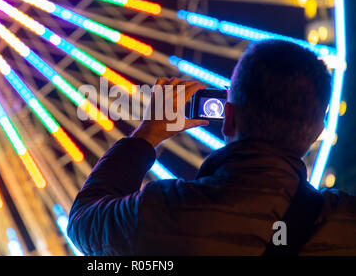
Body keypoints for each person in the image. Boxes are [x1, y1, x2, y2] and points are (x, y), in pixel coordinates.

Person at [67, 40, 356, 255]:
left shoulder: (166, 212)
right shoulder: (344, 226)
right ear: (319, 130)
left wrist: (148, 134)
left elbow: (83, 221)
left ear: (228, 118)